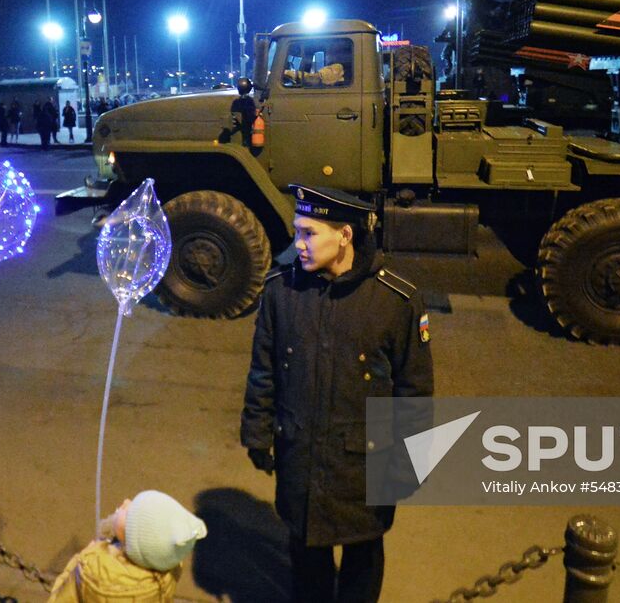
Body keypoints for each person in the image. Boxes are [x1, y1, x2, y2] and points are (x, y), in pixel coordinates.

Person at [242, 185, 434, 603]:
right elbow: (264, 371)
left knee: (362, 560)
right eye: (297, 231)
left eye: (309, 233)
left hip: (364, 468)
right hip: (300, 455)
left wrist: (410, 465)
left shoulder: (395, 301)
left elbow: (415, 393)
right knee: (306, 559)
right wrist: (257, 434)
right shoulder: (281, 291)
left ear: (345, 235)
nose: (298, 244)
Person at [46, 491, 206, 603]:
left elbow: (63, 598)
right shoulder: (167, 566)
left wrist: (84, 556)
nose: (126, 502)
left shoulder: (91, 570)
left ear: (135, 540)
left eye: (129, 512)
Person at [229, 78, 257, 146]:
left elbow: (234, 113)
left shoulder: (236, 102)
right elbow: (251, 116)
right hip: (247, 129)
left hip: (241, 129)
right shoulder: (250, 101)